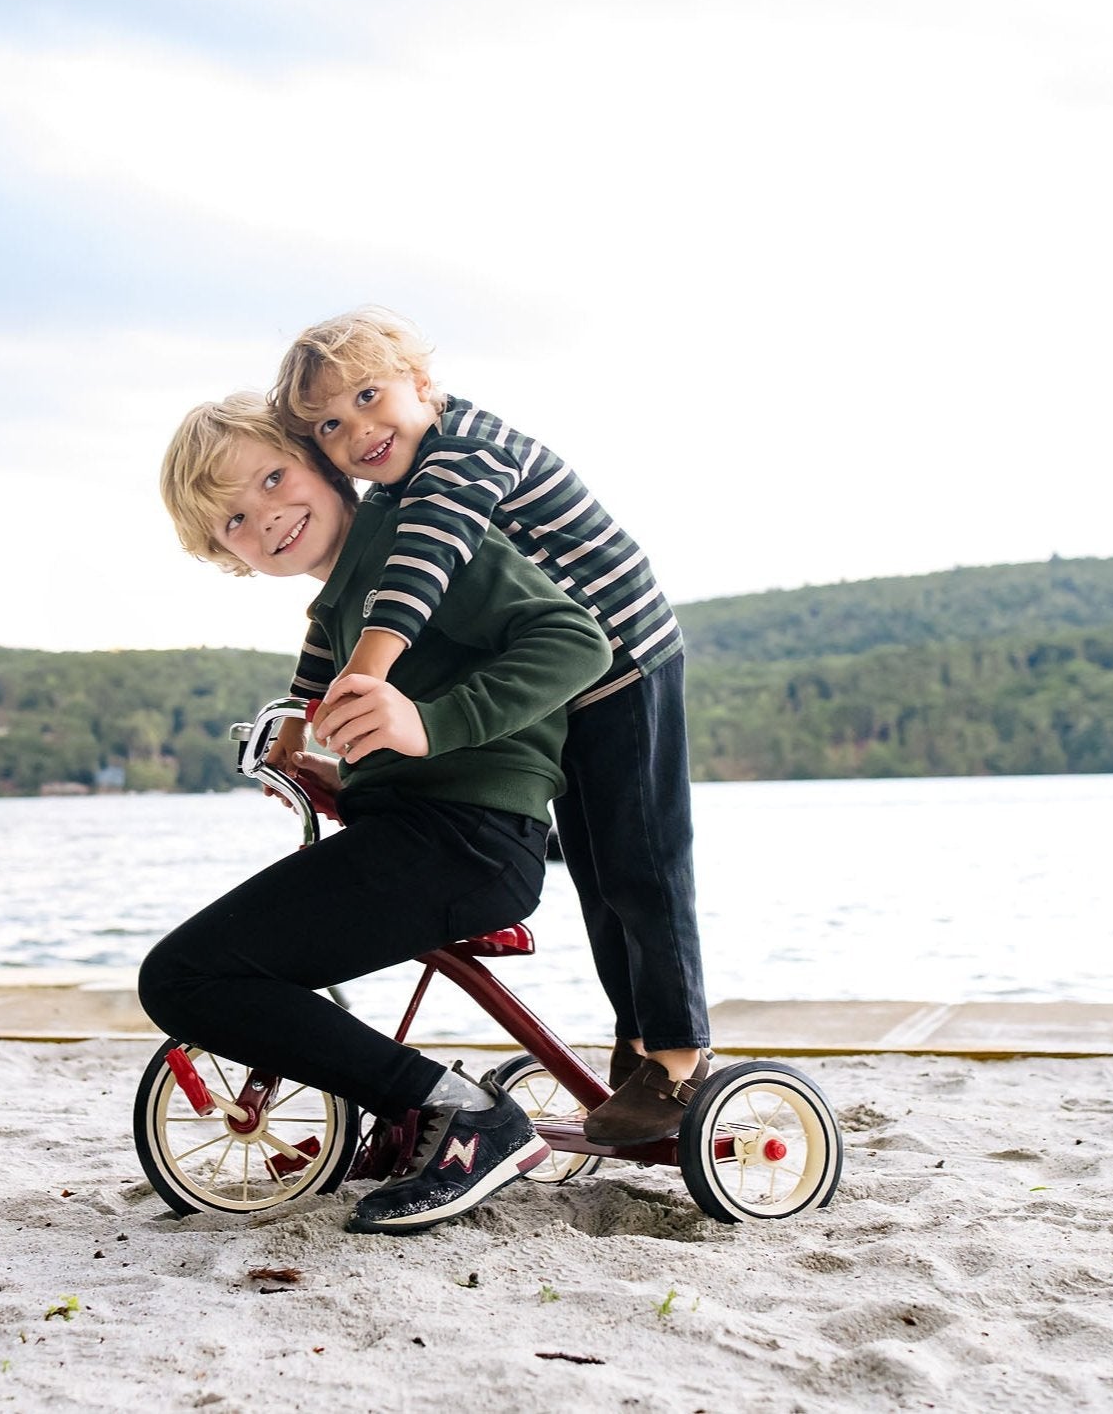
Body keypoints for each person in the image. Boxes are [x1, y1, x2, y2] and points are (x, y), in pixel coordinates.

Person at [141, 392, 611, 1234]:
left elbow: (575, 639)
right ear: (229, 555)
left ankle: (462, 1113)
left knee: (184, 975)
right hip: (420, 831)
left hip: (471, 836)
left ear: (326, 463)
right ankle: (426, 1108)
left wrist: (433, 725)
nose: (268, 517)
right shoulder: (338, 606)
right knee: (202, 968)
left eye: (274, 477)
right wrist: (323, 764)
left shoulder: (419, 545)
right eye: (235, 521)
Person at [268, 308, 712, 1145]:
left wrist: (367, 672)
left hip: (623, 658)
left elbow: (421, 565)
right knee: (594, 869)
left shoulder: (465, 454)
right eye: (330, 423)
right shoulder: (395, 487)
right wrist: (301, 711)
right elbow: (343, 600)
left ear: (423, 385)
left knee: (641, 859)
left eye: (370, 397)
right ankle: (636, 1042)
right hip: (552, 686)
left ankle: (680, 1056)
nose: (358, 429)